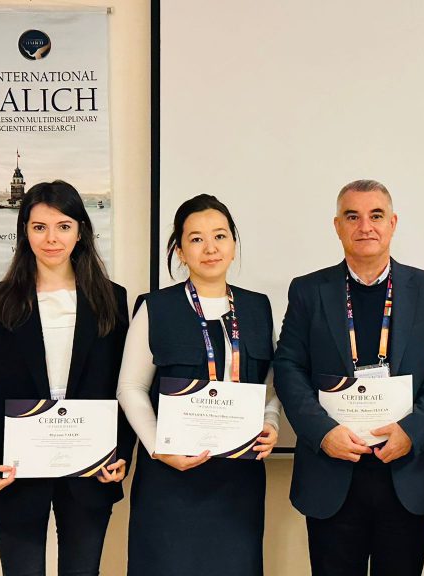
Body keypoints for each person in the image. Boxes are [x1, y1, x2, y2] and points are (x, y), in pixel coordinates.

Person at [274, 179, 424, 576]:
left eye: (376, 216)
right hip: (332, 472)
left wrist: (413, 430)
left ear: (393, 223)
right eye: (352, 217)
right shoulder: (308, 290)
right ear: (337, 226)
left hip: (406, 472)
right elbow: (288, 368)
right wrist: (323, 432)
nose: (365, 227)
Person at [0, 180, 131, 576]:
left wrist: (121, 453)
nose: (51, 238)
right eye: (39, 227)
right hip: (16, 472)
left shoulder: (112, 299)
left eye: (63, 226)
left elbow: (124, 389)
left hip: (91, 470)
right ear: (25, 232)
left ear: (81, 231)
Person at [117, 194, 281, 576]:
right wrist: (158, 446)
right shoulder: (155, 308)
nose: (210, 248)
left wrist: (271, 422)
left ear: (233, 244)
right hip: (171, 479)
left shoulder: (258, 308)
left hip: (238, 482)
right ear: (180, 251)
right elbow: (130, 387)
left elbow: (271, 384)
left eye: (220, 236)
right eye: (196, 239)